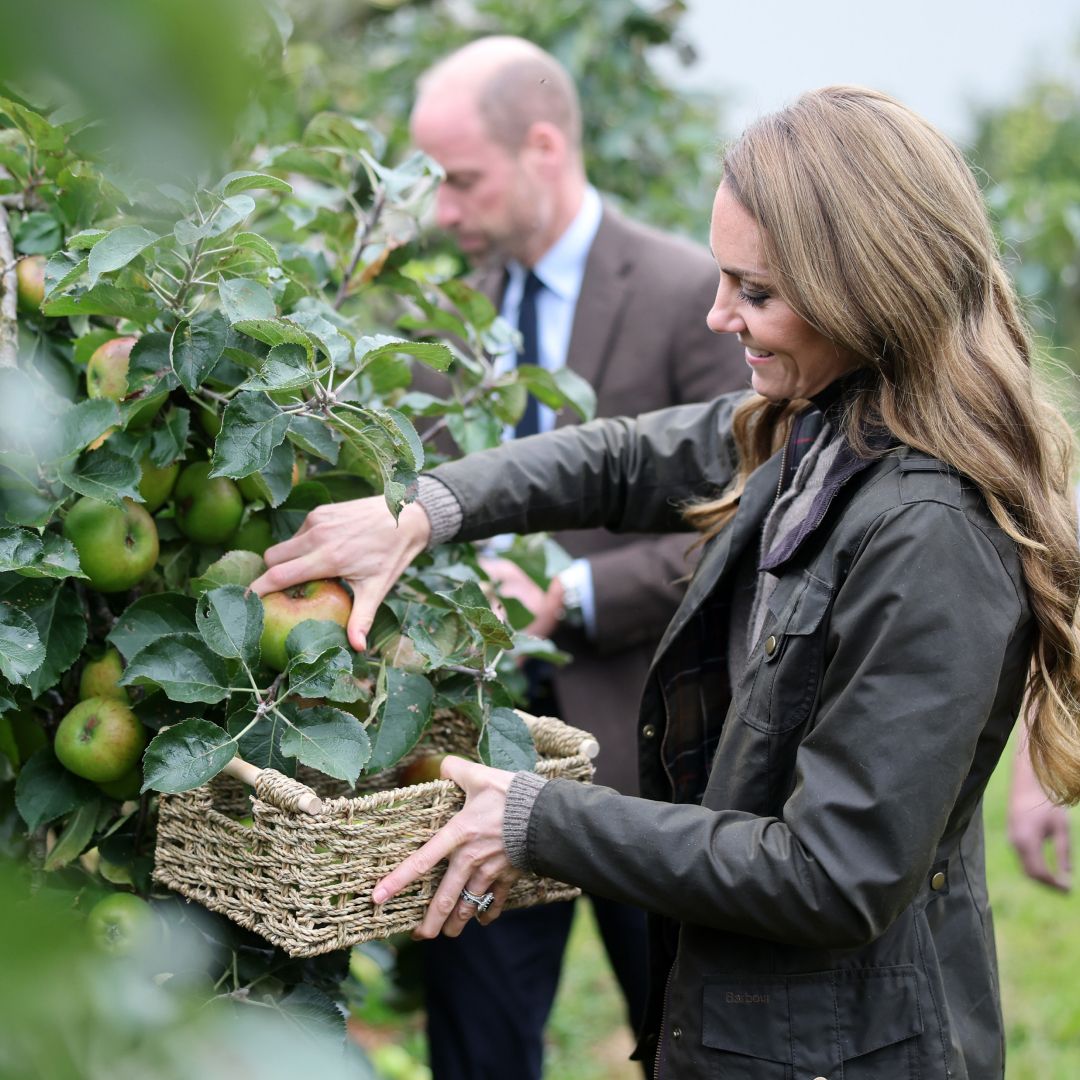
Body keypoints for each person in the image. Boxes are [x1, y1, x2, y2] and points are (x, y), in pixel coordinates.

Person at [252, 86, 1080, 1078]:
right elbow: (623, 458)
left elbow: (833, 875)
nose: (718, 313)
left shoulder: (928, 533)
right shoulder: (827, 422)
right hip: (754, 1029)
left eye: (756, 291)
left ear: (868, 290)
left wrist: (537, 818)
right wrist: (426, 510)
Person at [402, 35, 745, 1080]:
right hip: (479, 753)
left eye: (461, 180)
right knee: (478, 1042)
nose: (445, 212)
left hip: (651, 764)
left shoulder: (694, 293)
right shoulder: (445, 314)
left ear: (542, 147)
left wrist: (573, 593)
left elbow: (742, 529)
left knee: (680, 1031)